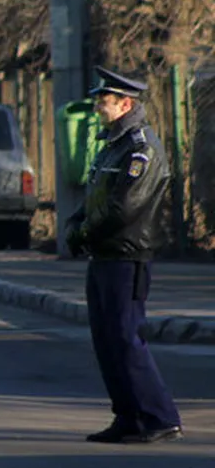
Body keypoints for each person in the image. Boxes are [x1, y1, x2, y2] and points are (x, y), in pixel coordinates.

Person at [65, 66, 182, 444]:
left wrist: (84, 232)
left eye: (105, 100)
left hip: (126, 256)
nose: (99, 106)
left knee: (127, 338)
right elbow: (94, 197)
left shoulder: (141, 148)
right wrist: (75, 225)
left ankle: (158, 417)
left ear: (126, 103)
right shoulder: (112, 145)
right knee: (106, 340)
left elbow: (124, 208)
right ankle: (128, 415)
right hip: (103, 255)